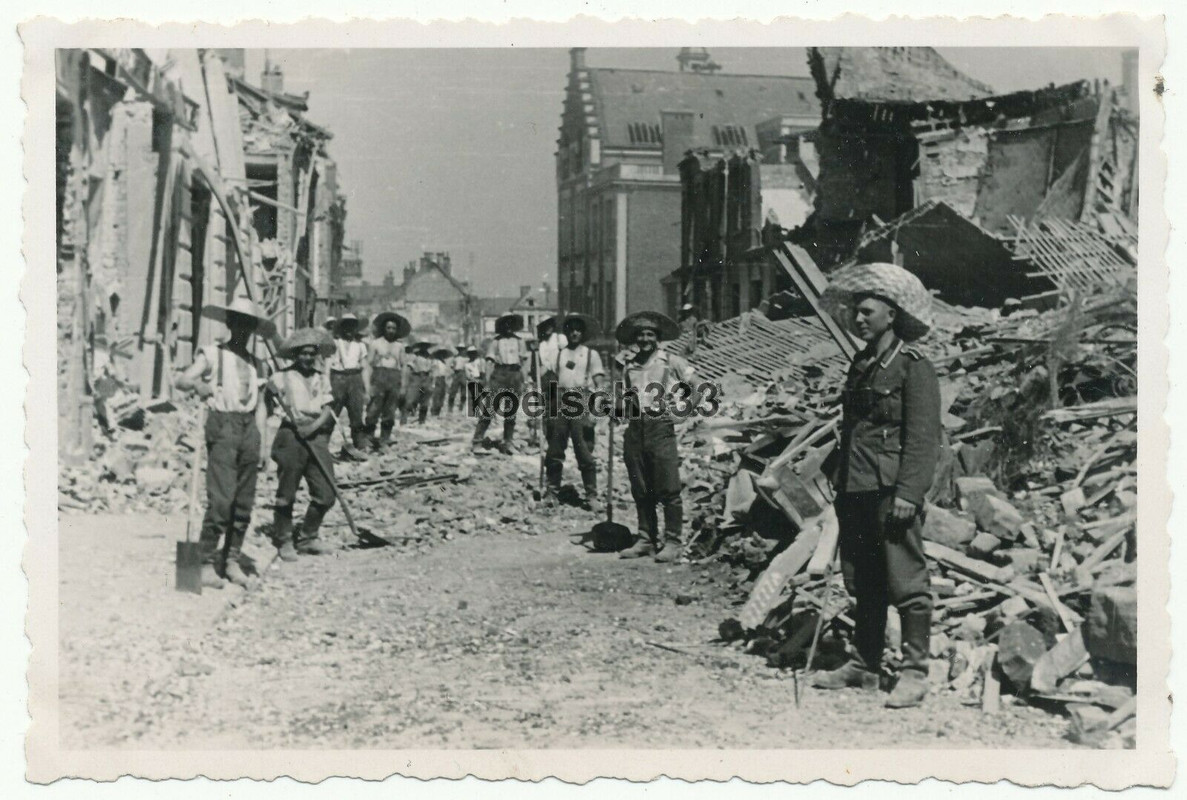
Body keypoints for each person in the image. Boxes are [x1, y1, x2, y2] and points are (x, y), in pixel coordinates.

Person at [811, 262, 942, 710]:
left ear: (892, 314)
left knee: (906, 581)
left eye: (867, 311)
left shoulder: (912, 367)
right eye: (854, 312)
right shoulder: (862, 364)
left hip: (891, 492)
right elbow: (854, 430)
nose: (858, 318)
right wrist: (839, 481)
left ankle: (914, 672)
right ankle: (865, 665)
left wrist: (909, 493)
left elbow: (924, 439)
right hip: (858, 488)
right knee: (864, 579)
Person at [175, 297, 273, 589]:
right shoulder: (212, 354)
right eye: (238, 322)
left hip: (249, 429)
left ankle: (230, 559)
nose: (243, 329)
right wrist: (199, 385)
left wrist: (264, 444)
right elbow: (182, 380)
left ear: (254, 329)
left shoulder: (259, 364)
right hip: (223, 425)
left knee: (244, 501)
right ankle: (203, 562)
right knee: (221, 500)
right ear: (229, 323)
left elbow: (262, 407)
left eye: (249, 324)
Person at [614, 311, 698, 563]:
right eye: (640, 334)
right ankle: (645, 539)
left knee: (668, 487)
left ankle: (672, 541)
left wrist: (682, 413)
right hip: (636, 428)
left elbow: (697, 388)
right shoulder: (629, 365)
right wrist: (618, 411)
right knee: (641, 487)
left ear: (658, 338)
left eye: (650, 334)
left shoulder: (672, 362)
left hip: (660, 426)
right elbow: (626, 398)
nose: (645, 338)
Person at [267, 328, 339, 560]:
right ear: (295, 355)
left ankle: (308, 537)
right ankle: (284, 539)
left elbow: (328, 408)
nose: (307, 358)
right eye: (302, 353)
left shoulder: (321, 377)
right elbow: (267, 404)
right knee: (287, 490)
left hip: (316, 433)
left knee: (327, 492)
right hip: (291, 436)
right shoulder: (281, 377)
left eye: (311, 353)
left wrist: (314, 426)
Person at [543, 314, 605, 511]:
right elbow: (550, 381)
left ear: (583, 332)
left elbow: (600, 384)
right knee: (554, 450)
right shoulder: (559, 354)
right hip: (560, 402)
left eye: (578, 329)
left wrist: (596, 409)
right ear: (566, 332)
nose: (574, 332)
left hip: (581, 402)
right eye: (571, 329)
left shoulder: (590, 355)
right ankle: (552, 492)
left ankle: (591, 496)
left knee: (584, 450)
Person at [471, 313, 526, 455]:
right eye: (505, 323)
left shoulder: (520, 341)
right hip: (500, 374)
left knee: (511, 411)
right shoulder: (496, 341)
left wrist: (524, 379)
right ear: (502, 326)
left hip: (515, 374)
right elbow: (489, 361)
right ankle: (477, 441)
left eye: (511, 323)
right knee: (490, 408)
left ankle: (508, 442)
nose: (508, 327)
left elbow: (524, 361)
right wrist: (488, 382)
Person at [364, 311, 410, 449]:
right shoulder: (375, 344)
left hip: (394, 377)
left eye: (394, 328)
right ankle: (369, 439)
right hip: (379, 376)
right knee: (373, 410)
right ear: (384, 328)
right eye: (388, 328)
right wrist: (368, 386)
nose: (391, 331)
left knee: (390, 411)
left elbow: (404, 366)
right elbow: (369, 364)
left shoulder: (399, 346)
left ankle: (385, 439)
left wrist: (403, 386)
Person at [327, 312, 371, 454]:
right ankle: (322, 445)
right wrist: (326, 385)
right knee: (331, 413)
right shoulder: (334, 343)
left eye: (352, 326)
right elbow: (327, 365)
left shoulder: (360, 345)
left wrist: (367, 388)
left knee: (356, 413)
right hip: (337, 378)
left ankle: (360, 444)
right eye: (346, 326)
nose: (349, 330)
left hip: (355, 378)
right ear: (341, 327)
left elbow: (364, 367)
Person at [401, 341, 434, 425]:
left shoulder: (429, 357)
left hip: (426, 378)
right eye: (423, 345)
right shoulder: (414, 356)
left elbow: (432, 370)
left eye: (426, 346)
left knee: (425, 402)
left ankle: (421, 421)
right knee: (410, 400)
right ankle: (403, 420)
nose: (424, 347)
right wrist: (407, 380)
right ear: (420, 346)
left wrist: (431, 381)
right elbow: (409, 368)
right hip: (417, 377)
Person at [430, 347, 452, 417]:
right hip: (437, 378)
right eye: (441, 354)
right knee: (436, 395)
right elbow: (434, 371)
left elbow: (446, 372)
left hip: (443, 379)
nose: (442, 355)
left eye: (443, 354)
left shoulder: (444, 362)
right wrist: (433, 381)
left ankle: (438, 411)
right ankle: (434, 411)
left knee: (442, 395)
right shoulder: (436, 361)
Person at [447, 345, 469, 413]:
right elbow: (452, 366)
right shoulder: (455, 357)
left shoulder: (467, 358)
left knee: (464, 391)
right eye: (460, 349)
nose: (461, 351)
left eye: (462, 349)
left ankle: (461, 406)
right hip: (456, 373)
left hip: (464, 373)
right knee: (453, 391)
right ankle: (450, 407)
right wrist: (453, 371)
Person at [462, 345, 484, 415]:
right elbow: (468, 375)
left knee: (484, 396)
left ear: (476, 353)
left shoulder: (480, 361)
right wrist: (473, 379)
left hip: (480, 380)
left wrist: (482, 379)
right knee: (474, 397)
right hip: (472, 381)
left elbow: (482, 371)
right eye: (470, 353)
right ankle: (475, 413)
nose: (472, 355)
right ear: (468, 354)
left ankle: (485, 413)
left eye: (473, 353)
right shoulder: (467, 365)